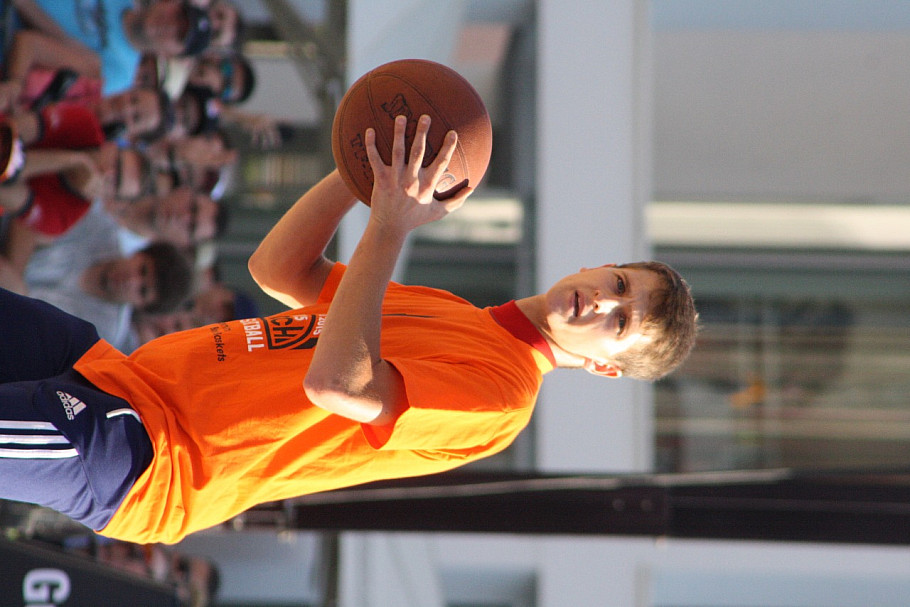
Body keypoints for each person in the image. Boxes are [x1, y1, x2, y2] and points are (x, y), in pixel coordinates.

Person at [0, 115, 697, 544]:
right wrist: (361, 169)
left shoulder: (503, 397)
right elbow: (279, 268)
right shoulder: (460, 313)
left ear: (604, 366)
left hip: (155, 457)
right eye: (618, 284)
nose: (601, 303)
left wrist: (390, 222)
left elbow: (338, 383)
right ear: (597, 266)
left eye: (620, 322)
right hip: (115, 371)